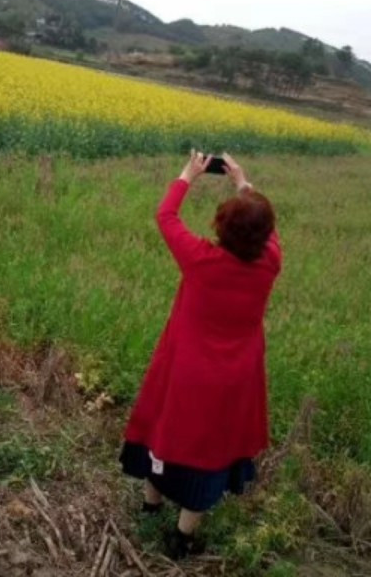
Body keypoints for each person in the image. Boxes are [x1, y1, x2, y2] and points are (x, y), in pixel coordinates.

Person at [120, 150, 282, 560]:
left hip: (186, 368)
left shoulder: (200, 260)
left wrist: (188, 174)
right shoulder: (270, 262)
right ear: (264, 234)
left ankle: (151, 505)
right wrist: (243, 183)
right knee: (211, 448)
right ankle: (183, 537)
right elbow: (267, 231)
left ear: (220, 227)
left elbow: (166, 216)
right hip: (236, 376)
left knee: (164, 430)